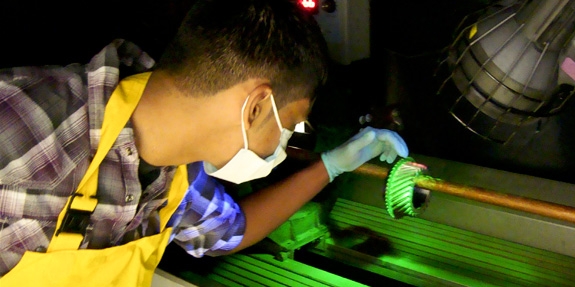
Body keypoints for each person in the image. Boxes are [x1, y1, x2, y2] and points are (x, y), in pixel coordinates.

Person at [0, 0, 408, 284]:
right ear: (255, 107)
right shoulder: (22, 124)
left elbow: (233, 231)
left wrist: (332, 165)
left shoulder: (176, 175)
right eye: (292, 124)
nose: (285, 144)